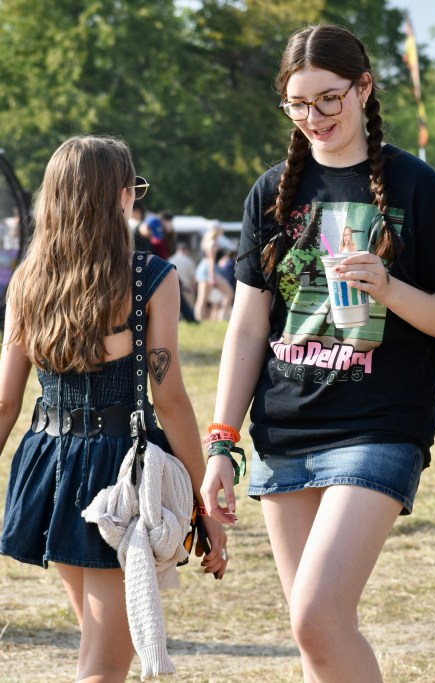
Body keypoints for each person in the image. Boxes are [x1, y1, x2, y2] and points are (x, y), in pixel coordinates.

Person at [198, 24, 435, 683]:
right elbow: (247, 326)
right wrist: (222, 442)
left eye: (329, 99)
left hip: (379, 427)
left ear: (364, 88)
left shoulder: (415, 186)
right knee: (318, 640)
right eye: (298, 105)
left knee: (317, 617)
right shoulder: (270, 193)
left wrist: (390, 287)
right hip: (286, 429)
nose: (315, 118)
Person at [0, 135, 227, 681]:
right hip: (117, 475)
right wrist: (203, 503)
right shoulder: (150, 278)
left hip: (46, 465)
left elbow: (6, 399)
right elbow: (167, 398)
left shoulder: (29, 280)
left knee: (99, 647)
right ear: (121, 197)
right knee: (103, 665)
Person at [194, 222, 234, 321]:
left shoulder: (207, 241)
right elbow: (211, 260)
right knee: (229, 293)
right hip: (209, 270)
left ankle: (198, 320)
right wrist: (212, 277)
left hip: (205, 269)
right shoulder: (213, 242)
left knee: (202, 298)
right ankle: (222, 317)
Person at [168, 240, 199, 323]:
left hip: (173, 287)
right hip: (188, 288)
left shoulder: (170, 259)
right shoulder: (189, 261)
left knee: (175, 308)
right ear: (186, 250)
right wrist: (194, 288)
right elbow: (193, 277)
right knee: (188, 307)